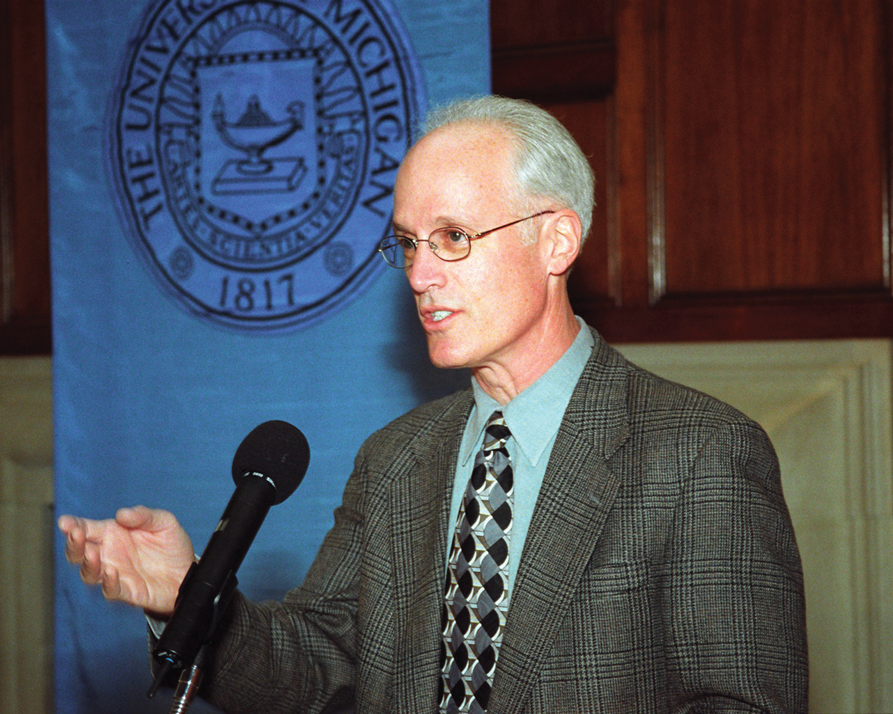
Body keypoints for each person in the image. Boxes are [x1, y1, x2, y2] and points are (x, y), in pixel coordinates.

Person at [59, 95, 808, 713]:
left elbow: (743, 703)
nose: (420, 275)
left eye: (452, 237)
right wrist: (188, 597)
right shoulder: (395, 459)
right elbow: (311, 665)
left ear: (557, 241)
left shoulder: (702, 453)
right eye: (409, 244)